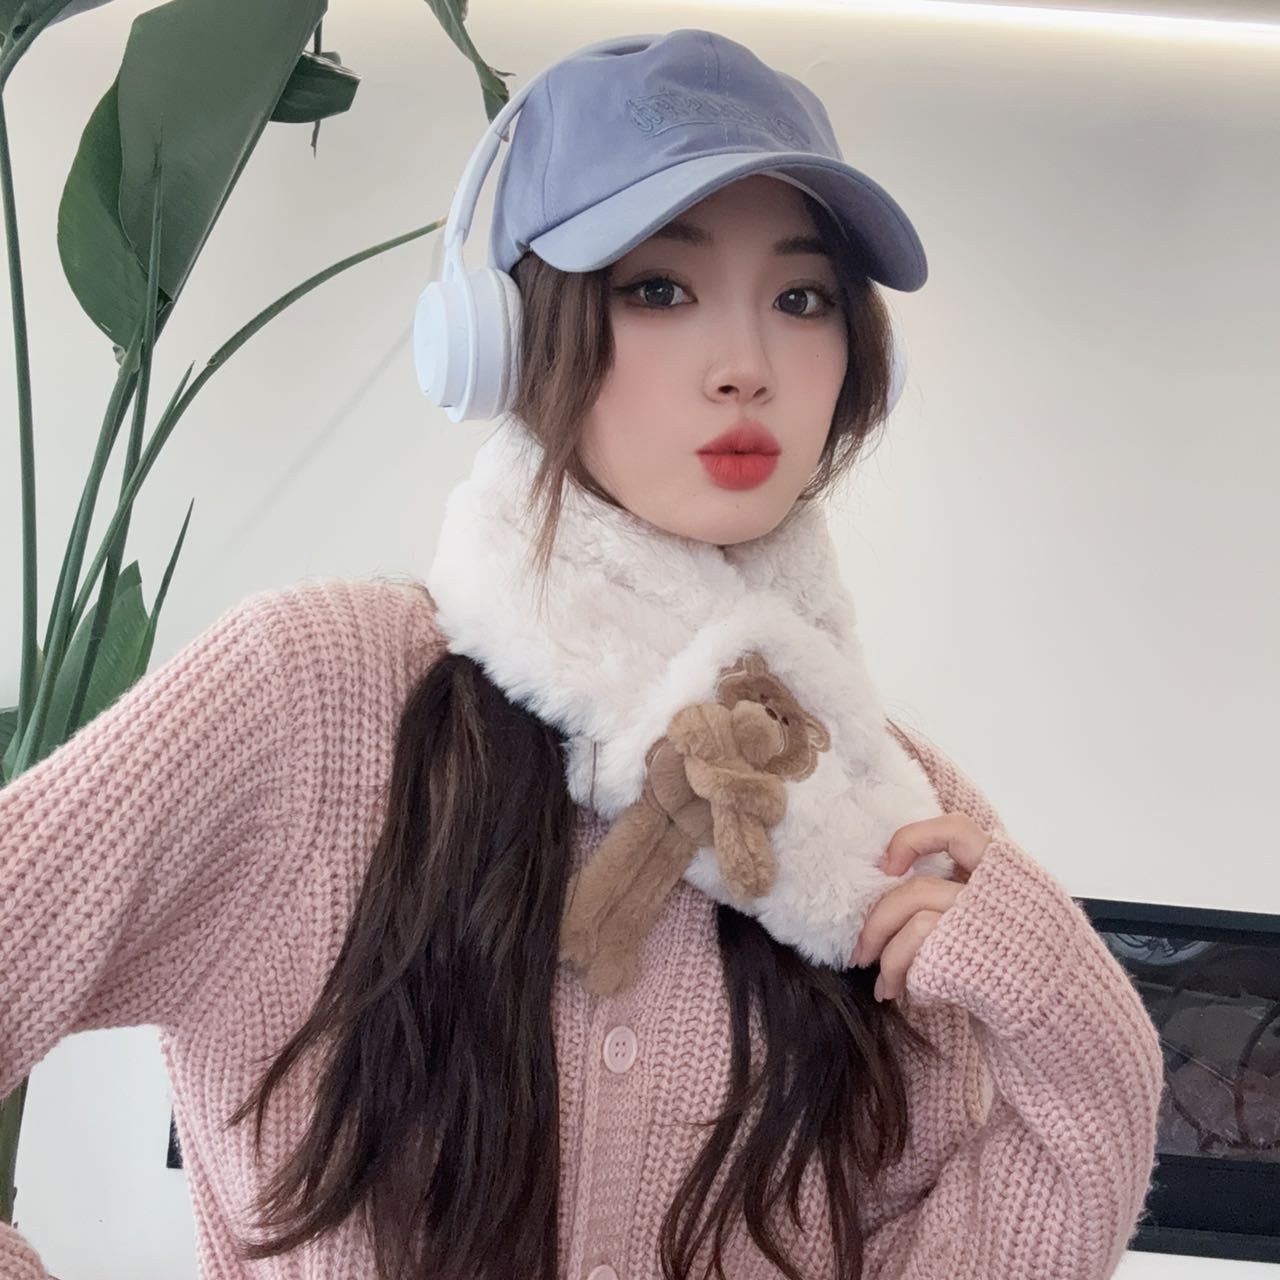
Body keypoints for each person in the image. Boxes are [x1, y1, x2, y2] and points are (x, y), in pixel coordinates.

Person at [0, 27, 1163, 1280]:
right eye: (656, 287)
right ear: (510, 335)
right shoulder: (311, 699)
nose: (746, 367)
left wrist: (1079, 1023)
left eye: (801, 297)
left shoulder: (895, 817)